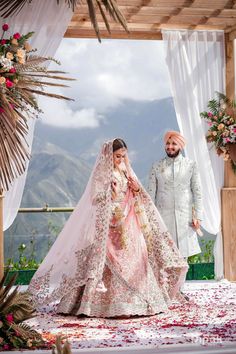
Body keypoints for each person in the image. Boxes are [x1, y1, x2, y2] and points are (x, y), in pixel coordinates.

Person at [29, 138, 188, 318]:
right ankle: (100, 304)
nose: (121, 160)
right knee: (105, 261)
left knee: (137, 257)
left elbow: (136, 194)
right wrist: (109, 194)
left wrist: (135, 189)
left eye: (123, 156)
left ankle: (137, 303)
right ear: (108, 155)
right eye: (117, 156)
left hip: (128, 221)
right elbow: (94, 199)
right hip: (108, 224)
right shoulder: (101, 173)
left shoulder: (124, 170)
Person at [147, 131, 203, 260]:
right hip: (162, 218)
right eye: (167, 143)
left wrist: (198, 217)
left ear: (180, 146)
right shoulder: (156, 166)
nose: (170, 147)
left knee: (183, 258)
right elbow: (150, 195)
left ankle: (181, 281)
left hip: (185, 217)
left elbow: (198, 192)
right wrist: (150, 218)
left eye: (174, 144)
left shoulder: (190, 165)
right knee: (165, 256)